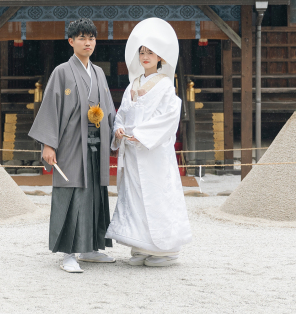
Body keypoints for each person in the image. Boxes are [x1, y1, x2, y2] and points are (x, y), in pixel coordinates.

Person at [28, 18, 116, 273]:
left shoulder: (98, 72)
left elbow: (109, 109)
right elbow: (51, 109)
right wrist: (48, 144)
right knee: (73, 193)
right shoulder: (62, 72)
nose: (87, 42)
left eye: (91, 38)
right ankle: (68, 253)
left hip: (96, 143)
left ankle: (90, 248)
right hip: (70, 144)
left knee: (94, 194)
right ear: (71, 42)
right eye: (81, 38)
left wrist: (117, 132)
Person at [106, 17, 192, 267]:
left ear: (160, 57)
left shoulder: (166, 86)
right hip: (133, 153)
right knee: (134, 198)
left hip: (153, 153)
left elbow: (168, 117)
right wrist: (120, 129)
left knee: (157, 197)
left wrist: (141, 135)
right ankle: (141, 247)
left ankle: (165, 250)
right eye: (142, 51)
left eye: (150, 52)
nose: (145, 56)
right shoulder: (132, 85)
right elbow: (121, 113)